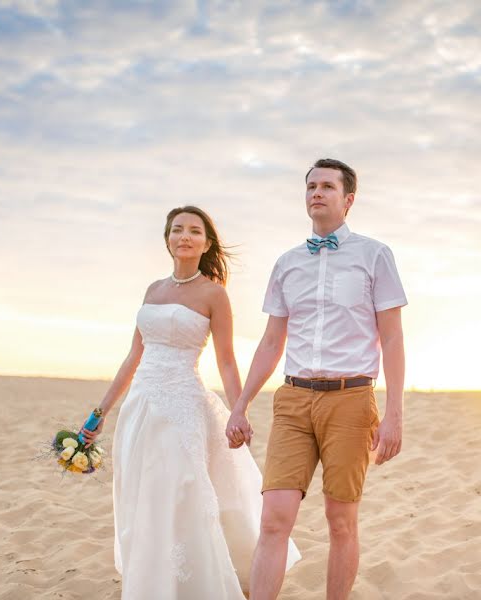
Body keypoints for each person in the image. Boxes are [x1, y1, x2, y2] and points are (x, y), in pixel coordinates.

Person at [80, 206, 300, 599]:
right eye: (177, 229)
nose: (184, 236)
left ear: (207, 242)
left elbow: (227, 360)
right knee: (144, 495)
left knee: (183, 492)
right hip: (141, 407)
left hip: (183, 406)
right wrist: (99, 413)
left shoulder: (214, 294)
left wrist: (239, 410)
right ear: (167, 239)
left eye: (194, 231)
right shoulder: (152, 291)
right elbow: (133, 358)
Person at [225, 158, 407, 600]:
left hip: (351, 400)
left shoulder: (375, 255)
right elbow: (271, 341)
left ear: (348, 199)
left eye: (327, 186)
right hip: (292, 401)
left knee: (340, 519)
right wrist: (241, 404)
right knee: (274, 518)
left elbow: (392, 336)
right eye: (310, 186)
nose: (316, 193)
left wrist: (395, 414)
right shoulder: (288, 263)